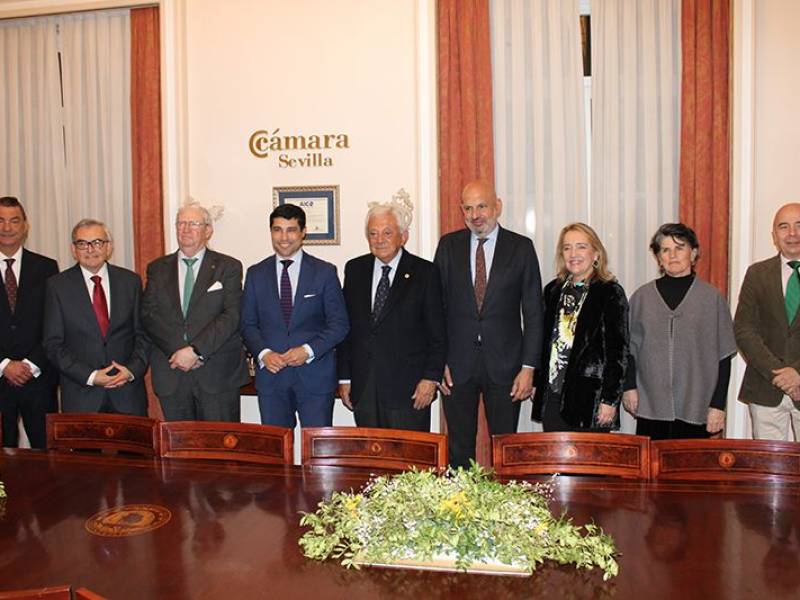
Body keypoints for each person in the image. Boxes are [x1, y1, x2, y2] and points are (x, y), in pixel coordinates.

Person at [434, 180, 543, 467]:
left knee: (504, 449)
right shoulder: (448, 246)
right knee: (459, 450)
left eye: (482, 206)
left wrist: (529, 369)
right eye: (468, 208)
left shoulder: (521, 248)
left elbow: (534, 313)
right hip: (456, 367)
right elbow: (436, 310)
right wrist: (438, 362)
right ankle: (460, 498)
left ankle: (505, 497)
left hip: (507, 367)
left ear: (497, 206)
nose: (475, 215)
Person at [337, 195, 445, 431]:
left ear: (403, 236)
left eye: (387, 233)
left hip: (410, 390)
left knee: (408, 454)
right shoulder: (355, 270)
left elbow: (438, 333)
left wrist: (430, 378)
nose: (379, 240)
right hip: (364, 388)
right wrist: (345, 378)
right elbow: (347, 330)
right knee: (370, 453)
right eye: (373, 233)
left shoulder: (425, 273)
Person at [623, 223, 736, 439]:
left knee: (690, 461)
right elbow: (628, 351)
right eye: (665, 250)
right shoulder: (641, 298)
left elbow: (724, 357)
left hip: (697, 406)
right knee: (651, 461)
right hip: (651, 406)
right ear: (659, 258)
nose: (672, 255)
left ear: (693, 253)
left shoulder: (712, 299)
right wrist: (629, 388)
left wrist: (718, 405)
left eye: (679, 248)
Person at [240, 204, 348, 428]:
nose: (284, 237)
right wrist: (264, 354)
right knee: (276, 447)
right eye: (277, 230)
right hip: (272, 378)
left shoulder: (324, 272)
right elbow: (247, 324)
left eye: (291, 230)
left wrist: (307, 351)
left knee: (317, 447)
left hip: (315, 378)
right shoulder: (255, 274)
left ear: (303, 232)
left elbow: (339, 324)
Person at [142, 202, 249, 422]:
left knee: (219, 442)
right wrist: (179, 352)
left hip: (216, 374)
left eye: (193, 224)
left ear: (208, 231)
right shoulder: (157, 268)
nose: (186, 229)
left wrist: (196, 351)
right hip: (172, 372)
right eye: (181, 223)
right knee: (179, 443)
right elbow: (149, 314)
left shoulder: (228, 267)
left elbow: (232, 315)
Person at [43, 219, 150, 415]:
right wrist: (91, 376)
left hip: (127, 394)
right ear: (73, 250)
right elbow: (53, 344)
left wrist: (130, 371)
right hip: (81, 396)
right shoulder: (57, 286)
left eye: (97, 242)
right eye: (82, 244)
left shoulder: (130, 282)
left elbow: (143, 335)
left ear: (109, 247)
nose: (90, 249)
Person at [532, 223, 628, 431]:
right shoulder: (552, 291)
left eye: (581, 246)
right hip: (553, 397)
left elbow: (618, 352)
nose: (573, 254)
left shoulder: (610, 292)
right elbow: (544, 343)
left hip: (590, 401)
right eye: (567, 248)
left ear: (596, 254)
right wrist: (537, 384)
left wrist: (610, 399)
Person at [734, 203, 800, 440]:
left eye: (799, 225)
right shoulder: (757, 274)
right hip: (765, 386)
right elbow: (744, 330)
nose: (792, 233)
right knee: (768, 462)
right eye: (784, 227)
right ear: (774, 235)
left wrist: (797, 373)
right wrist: (780, 375)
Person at [0, 196, 59, 448]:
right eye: (0, 221)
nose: (7, 227)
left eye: (14, 221)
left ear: (25, 226)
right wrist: (4, 364)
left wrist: (30, 364)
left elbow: (54, 323)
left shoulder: (47, 268)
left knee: (47, 457)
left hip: (38, 379)